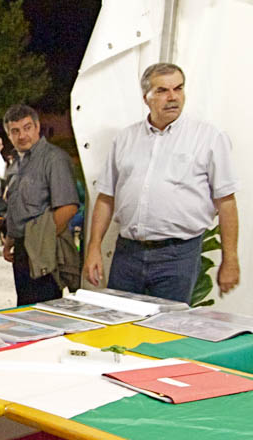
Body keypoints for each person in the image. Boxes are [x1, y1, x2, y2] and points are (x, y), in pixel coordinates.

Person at [84, 63, 240, 303]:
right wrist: (94, 247)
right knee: (118, 320)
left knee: (167, 324)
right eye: (162, 91)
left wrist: (230, 260)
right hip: (127, 254)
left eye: (178, 88)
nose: (173, 97)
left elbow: (226, 201)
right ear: (146, 98)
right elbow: (106, 197)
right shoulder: (125, 139)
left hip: (177, 257)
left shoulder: (208, 138)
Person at [1, 104, 80, 305]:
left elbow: (68, 207)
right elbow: (16, 207)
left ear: (37, 127)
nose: (22, 136)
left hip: (43, 251)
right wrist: (11, 240)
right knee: (24, 309)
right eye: (15, 131)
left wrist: (41, 241)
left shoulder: (54, 158)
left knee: (44, 313)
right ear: (9, 135)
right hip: (21, 250)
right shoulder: (16, 163)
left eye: (27, 128)